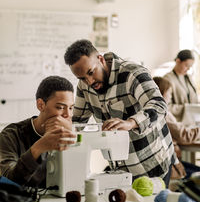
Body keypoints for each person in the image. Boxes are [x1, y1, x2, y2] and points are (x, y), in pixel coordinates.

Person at [64, 39, 175, 187]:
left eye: (91, 72)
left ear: (101, 59)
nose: (89, 81)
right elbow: (77, 122)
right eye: (82, 78)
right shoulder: (84, 86)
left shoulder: (132, 73)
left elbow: (159, 105)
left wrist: (131, 123)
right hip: (121, 170)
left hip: (153, 164)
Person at [0, 76, 76, 187]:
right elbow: (8, 182)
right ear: (41, 105)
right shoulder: (11, 135)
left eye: (71, 108)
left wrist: (74, 142)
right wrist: (38, 148)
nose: (68, 115)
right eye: (60, 107)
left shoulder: (70, 134)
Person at [153, 76, 200, 179]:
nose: (170, 97)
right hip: (171, 164)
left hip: (172, 161)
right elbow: (184, 135)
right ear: (162, 93)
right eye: (169, 93)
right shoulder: (162, 113)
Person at [164, 49, 198, 122]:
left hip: (193, 120)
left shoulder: (188, 77)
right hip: (179, 123)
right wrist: (187, 108)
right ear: (178, 61)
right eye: (187, 65)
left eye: (190, 66)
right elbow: (166, 106)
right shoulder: (167, 79)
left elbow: (193, 98)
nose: (189, 69)